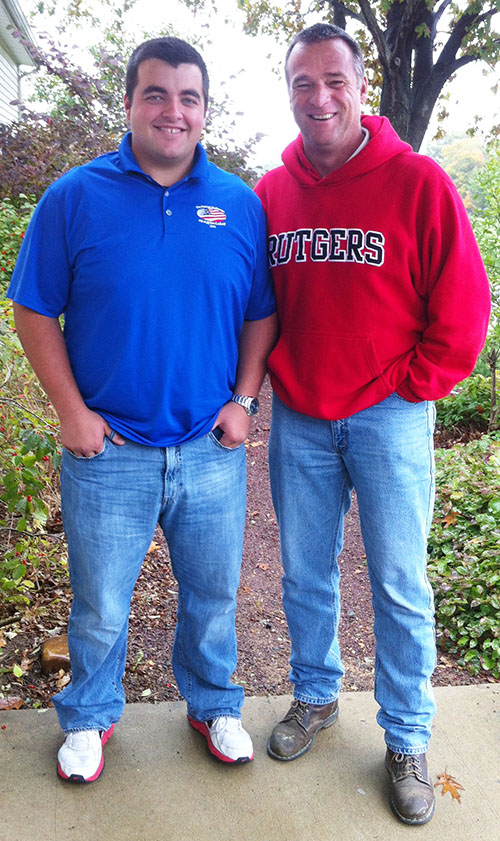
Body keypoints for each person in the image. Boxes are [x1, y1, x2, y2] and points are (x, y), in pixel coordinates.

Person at [8, 36, 277, 783]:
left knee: (214, 592)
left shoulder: (238, 204)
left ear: (204, 111)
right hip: (108, 450)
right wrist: (70, 410)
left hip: (208, 447)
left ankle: (215, 701)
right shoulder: (75, 196)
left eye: (189, 97)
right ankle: (91, 716)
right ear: (128, 102)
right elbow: (33, 310)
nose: (173, 110)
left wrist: (244, 400)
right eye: (156, 93)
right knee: (98, 601)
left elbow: (261, 312)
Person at [254, 23, 490, 826]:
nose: (318, 97)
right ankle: (316, 696)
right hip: (301, 418)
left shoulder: (418, 182)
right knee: (304, 574)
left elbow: (463, 314)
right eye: (301, 83)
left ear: (362, 88)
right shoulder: (271, 193)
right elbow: (253, 307)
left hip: (389, 417)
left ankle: (407, 734)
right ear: (287, 91)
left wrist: (406, 387)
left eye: (333, 80)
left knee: (398, 582)